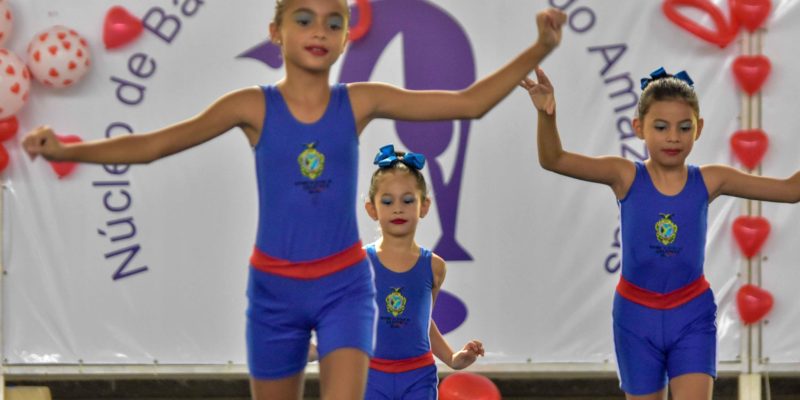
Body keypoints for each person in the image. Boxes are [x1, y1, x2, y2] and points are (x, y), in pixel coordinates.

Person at [21, 1, 565, 399]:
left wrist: (539, 48)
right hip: (274, 290)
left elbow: (468, 103)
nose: (319, 30)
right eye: (303, 19)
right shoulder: (251, 106)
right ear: (275, 32)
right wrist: (68, 149)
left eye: (334, 21)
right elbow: (153, 146)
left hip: (344, 287)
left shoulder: (359, 101)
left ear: (347, 38)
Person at [521, 66, 800, 400]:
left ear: (699, 129)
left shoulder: (711, 179)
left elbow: (791, 190)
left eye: (684, 127)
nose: (673, 137)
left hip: (692, 313)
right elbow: (553, 159)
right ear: (639, 127)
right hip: (635, 318)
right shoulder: (625, 175)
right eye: (661, 127)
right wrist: (546, 114)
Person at [363, 144, 484, 399]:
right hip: (369, 375)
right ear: (372, 208)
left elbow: (422, 321)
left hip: (418, 377)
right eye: (387, 201)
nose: (398, 208)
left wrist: (452, 358)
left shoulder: (434, 267)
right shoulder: (360, 263)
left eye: (408, 200)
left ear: (424, 206)